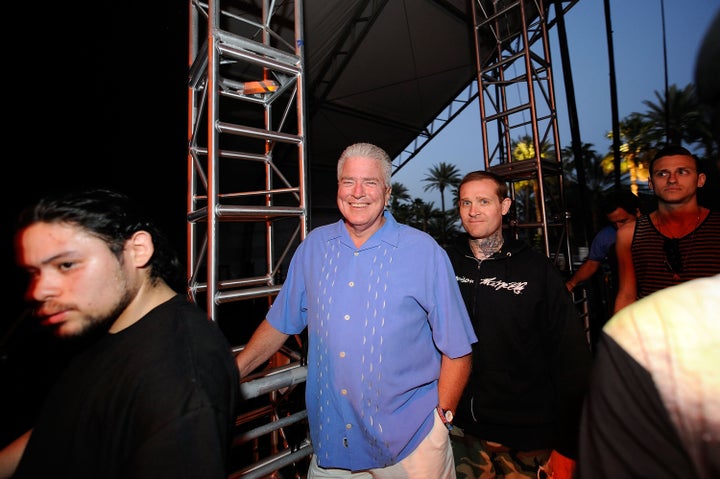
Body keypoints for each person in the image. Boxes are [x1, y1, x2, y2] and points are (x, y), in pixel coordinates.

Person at [235, 142, 477, 478]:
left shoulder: (424, 252)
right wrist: (234, 371)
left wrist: (442, 420)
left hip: (410, 447)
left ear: (387, 192)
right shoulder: (314, 248)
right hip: (332, 444)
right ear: (338, 188)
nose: (358, 193)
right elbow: (280, 323)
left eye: (370, 182)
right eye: (349, 182)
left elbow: (458, 349)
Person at [0, 188, 240, 479]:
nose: (39, 291)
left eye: (66, 265)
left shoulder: (178, 376)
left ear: (138, 250)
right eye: (34, 273)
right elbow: (64, 426)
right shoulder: (104, 322)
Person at [445, 171, 591, 479]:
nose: (473, 211)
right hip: (458, 434)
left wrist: (568, 446)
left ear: (505, 205)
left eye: (484, 201)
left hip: (527, 437)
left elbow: (572, 361)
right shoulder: (444, 264)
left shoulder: (537, 270)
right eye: (465, 202)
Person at [576, 273, 720, 479]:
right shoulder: (637, 333)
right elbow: (626, 292)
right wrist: (621, 346)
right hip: (650, 350)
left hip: (689, 341)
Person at [613, 145, 720, 313]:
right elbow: (626, 295)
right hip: (651, 335)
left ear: (700, 180)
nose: (672, 179)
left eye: (682, 172)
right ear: (651, 183)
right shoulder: (629, 234)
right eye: (662, 173)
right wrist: (615, 337)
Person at [565, 190, 641, 345]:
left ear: (638, 213)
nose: (619, 227)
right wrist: (571, 284)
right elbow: (592, 264)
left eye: (624, 221)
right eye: (614, 223)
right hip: (624, 296)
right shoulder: (606, 237)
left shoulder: (658, 231)